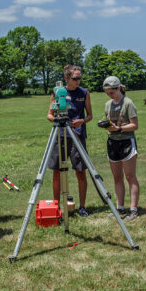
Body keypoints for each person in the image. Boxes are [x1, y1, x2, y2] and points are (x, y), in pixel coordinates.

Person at [47, 65, 93, 217]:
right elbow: (49, 114)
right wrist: (59, 120)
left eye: (80, 77)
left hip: (77, 136)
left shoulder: (84, 92)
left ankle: (82, 207)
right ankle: (56, 207)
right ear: (67, 78)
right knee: (57, 172)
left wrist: (82, 121)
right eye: (75, 78)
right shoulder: (58, 92)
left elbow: (90, 116)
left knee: (80, 171)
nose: (78, 80)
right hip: (60, 135)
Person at [102, 76, 140, 221]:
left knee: (130, 176)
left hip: (126, 142)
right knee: (117, 177)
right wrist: (104, 123)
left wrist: (119, 128)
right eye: (107, 93)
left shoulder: (128, 103)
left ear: (119, 88)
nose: (109, 95)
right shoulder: (108, 104)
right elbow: (109, 120)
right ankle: (120, 207)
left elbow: (134, 125)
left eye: (111, 92)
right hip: (112, 142)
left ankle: (133, 210)